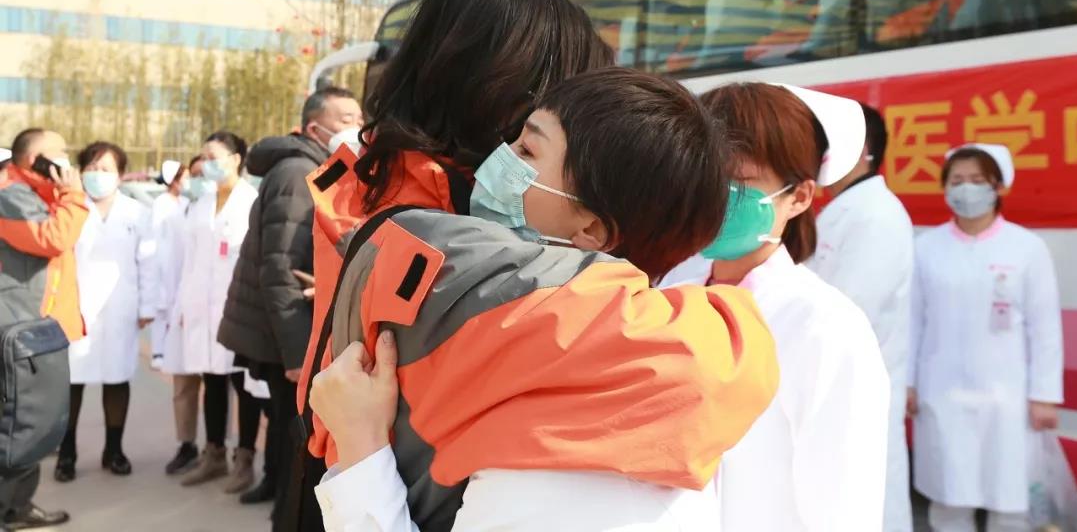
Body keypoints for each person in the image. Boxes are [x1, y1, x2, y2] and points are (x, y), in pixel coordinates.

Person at [309, 67, 779, 531]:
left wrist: (361, 446)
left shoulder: (578, 426)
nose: (499, 159)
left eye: (527, 151)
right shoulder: (596, 354)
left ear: (592, 229)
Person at [289, 0, 614, 532]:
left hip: (348, 475)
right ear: (501, 90)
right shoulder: (445, 228)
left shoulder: (379, 174)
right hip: (393, 492)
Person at [661, 83, 890, 532]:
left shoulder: (823, 323)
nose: (715, 199)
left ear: (799, 197)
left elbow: (843, 502)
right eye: (704, 178)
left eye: (739, 184)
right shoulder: (671, 296)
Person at [218, 86, 362, 512]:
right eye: (346, 120)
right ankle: (285, 507)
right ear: (315, 128)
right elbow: (282, 267)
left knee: (282, 422)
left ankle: (276, 491)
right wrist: (297, 351)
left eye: (359, 119)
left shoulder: (307, 166)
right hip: (288, 331)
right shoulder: (301, 172)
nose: (357, 128)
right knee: (290, 427)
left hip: (280, 327)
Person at [909, 143, 1063, 532]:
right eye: (957, 180)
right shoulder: (926, 248)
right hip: (942, 393)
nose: (967, 188)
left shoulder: (1026, 248)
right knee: (949, 497)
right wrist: (908, 383)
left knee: (1009, 500)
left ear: (998, 186)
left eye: (977, 180)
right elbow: (912, 322)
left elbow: (1044, 327)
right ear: (945, 188)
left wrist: (1044, 395)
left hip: (1008, 398)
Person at [807, 103, 914, 532]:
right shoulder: (846, 209)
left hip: (851, 384)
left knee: (864, 503)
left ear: (863, 149)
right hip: (831, 385)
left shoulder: (876, 215)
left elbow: (849, 310)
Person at [0, 128, 88, 529]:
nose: (67, 160)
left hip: (39, 330)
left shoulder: (33, 193)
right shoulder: (9, 194)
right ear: (35, 158)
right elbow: (54, 237)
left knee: (33, 425)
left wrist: (60, 193)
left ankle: (18, 507)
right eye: (59, 153)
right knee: (17, 427)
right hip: (19, 332)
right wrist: (71, 194)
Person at [53, 142, 156, 483]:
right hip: (76, 309)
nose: (98, 174)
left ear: (120, 174)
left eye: (106, 169)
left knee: (117, 378)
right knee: (72, 383)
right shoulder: (70, 208)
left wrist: (147, 305)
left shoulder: (136, 212)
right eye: (92, 168)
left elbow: (148, 263)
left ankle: (114, 450)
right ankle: (66, 453)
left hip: (120, 308)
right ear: (80, 172)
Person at [164, 131, 260, 487]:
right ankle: (214, 453)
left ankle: (244, 458)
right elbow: (190, 262)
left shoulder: (252, 202)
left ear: (236, 159)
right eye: (203, 157)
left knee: (243, 383)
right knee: (212, 381)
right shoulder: (200, 204)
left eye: (213, 156)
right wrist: (182, 306)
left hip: (237, 309)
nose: (206, 164)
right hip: (201, 308)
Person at [160, 156, 207, 476]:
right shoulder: (179, 213)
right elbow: (171, 265)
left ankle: (219, 446)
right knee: (184, 384)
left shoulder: (234, 208)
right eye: (194, 174)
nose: (198, 180)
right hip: (182, 308)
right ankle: (186, 444)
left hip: (215, 310)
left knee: (219, 385)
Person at [149, 159, 189, 370]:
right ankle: (158, 351)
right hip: (163, 261)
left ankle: (172, 349)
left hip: (181, 261)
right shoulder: (161, 202)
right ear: (174, 180)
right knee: (162, 309)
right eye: (185, 178)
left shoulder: (185, 202)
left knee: (176, 306)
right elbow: (155, 234)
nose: (188, 182)